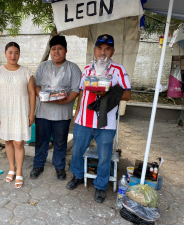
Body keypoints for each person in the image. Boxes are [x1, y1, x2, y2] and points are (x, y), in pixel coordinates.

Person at [66, 34, 131, 203]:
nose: (103, 52)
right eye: (100, 48)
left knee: (104, 156)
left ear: (112, 51)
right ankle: (78, 175)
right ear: (94, 50)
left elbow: (128, 94)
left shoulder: (118, 70)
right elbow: (81, 91)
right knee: (77, 151)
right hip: (84, 120)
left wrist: (107, 91)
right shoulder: (87, 69)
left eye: (107, 49)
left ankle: (101, 186)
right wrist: (77, 111)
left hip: (106, 122)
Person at [30, 35, 82, 180]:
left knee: (60, 141)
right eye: (53, 49)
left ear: (65, 50)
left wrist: (63, 102)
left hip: (62, 113)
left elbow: (76, 90)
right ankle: (38, 164)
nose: (56, 52)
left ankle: (59, 167)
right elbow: (36, 85)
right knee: (41, 140)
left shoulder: (73, 68)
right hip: (43, 112)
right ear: (50, 50)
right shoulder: (43, 66)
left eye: (60, 48)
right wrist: (42, 95)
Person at [0, 42, 36, 188]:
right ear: (5, 53)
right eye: (10, 52)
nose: (13, 55)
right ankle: (12, 168)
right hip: (4, 112)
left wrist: (31, 113)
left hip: (21, 111)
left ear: (19, 54)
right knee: (8, 141)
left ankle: (20, 171)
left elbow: (32, 93)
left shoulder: (27, 72)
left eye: (16, 52)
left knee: (18, 142)